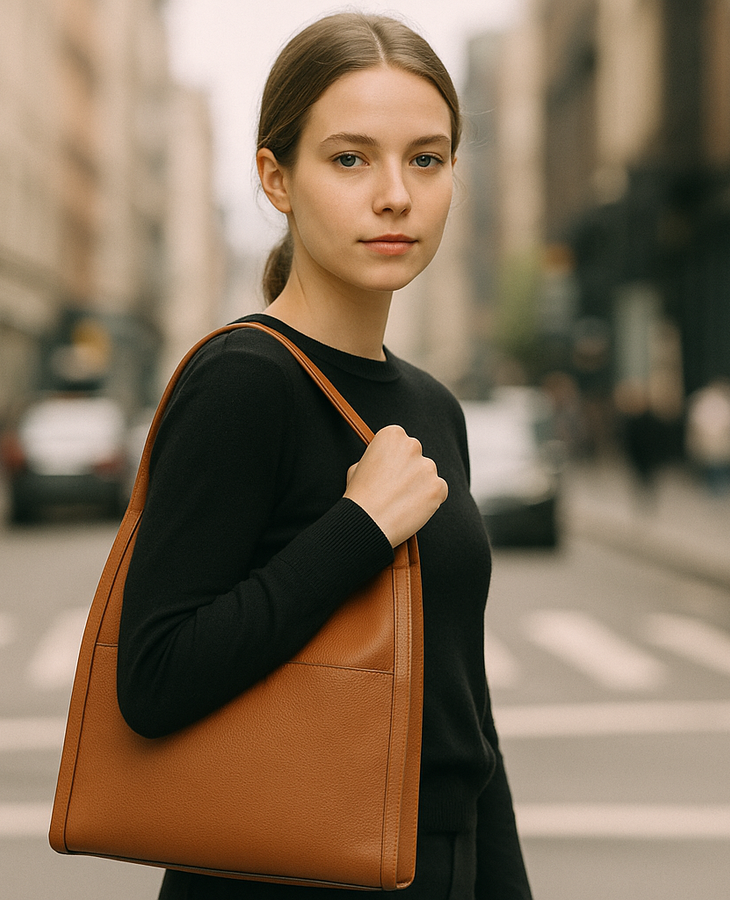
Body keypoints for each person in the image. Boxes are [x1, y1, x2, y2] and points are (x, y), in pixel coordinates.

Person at [117, 12, 532, 899]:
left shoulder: (432, 408)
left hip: (439, 867)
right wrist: (357, 528)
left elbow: (465, 723)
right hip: (285, 871)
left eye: (427, 158)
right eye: (350, 159)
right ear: (277, 178)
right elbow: (153, 679)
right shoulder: (244, 381)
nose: (396, 194)